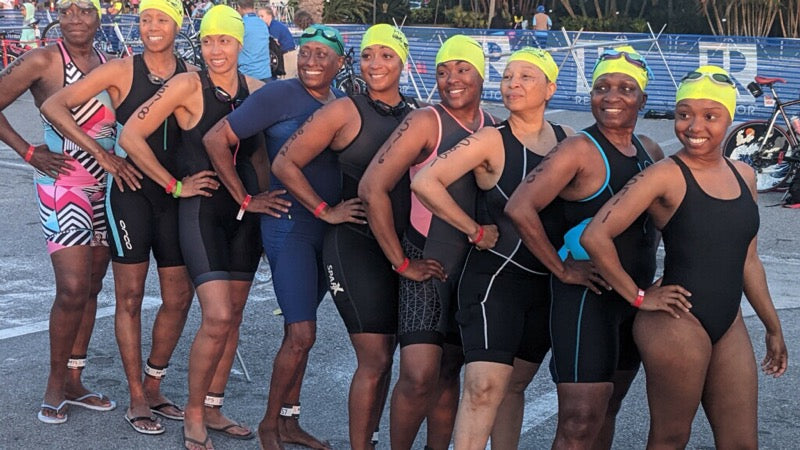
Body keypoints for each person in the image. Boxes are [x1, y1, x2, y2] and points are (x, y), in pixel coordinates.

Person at [581, 65, 788, 448]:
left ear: (729, 119)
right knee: (671, 437)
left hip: (728, 322)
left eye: (710, 116)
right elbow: (596, 236)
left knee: (742, 443)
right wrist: (639, 297)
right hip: (676, 321)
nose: (694, 126)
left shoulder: (744, 175)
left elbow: (749, 260)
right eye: (683, 114)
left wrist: (772, 327)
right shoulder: (664, 175)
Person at [117, 5, 277, 448]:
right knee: (218, 314)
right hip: (201, 211)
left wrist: (265, 205)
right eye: (207, 41)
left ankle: (213, 406)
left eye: (224, 40)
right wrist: (173, 185)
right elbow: (130, 136)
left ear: (240, 43)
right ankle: (192, 411)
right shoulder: (188, 84)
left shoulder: (258, 90)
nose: (215, 50)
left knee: (235, 315)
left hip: (246, 215)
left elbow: (262, 156)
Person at [40, 0, 202, 434]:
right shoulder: (121, 70)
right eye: (145, 18)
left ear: (177, 25)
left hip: (176, 197)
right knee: (129, 298)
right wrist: (102, 155)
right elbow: (54, 105)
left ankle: (154, 385)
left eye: (162, 18)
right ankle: (135, 396)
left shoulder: (192, 73)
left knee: (178, 298)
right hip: (130, 196)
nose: (152, 26)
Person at [411, 47, 572, 450]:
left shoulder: (568, 140)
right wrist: (473, 230)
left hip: (545, 287)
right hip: (494, 285)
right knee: (483, 389)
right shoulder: (491, 140)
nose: (512, 85)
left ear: (550, 88)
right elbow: (425, 182)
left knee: (514, 387)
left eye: (526, 77)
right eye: (507, 77)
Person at [505, 45, 663, 449]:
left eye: (625, 88)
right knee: (579, 421)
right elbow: (520, 207)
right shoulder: (579, 149)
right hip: (586, 301)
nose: (612, 97)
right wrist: (561, 269)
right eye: (602, 87)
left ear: (643, 98)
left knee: (608, 408)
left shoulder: (649, 150)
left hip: (632, 299)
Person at [270, 24, 415, 450]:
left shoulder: (416, 114)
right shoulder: (344, 111)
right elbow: (284, 163)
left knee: (388, 355)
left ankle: (368, 440)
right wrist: (324, 210)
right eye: (368, 56)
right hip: (354, 245)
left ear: (403, 62)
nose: (375, 64)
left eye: (386, 56)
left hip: (397, 245)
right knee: (375, 357)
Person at [201, 24, 346, 450]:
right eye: (306, 52)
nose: (311, 61)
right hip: (289, 226)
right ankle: (269, 425)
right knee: (302, 333)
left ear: (340, 63)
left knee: (301, 332)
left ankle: (289, 421)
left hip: (327, 230)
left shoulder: (341, 103)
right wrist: (245, 199)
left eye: (322, 54)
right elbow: (217, 138)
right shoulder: (279, 94)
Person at [0, 0, 138, 425]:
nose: (75, 18)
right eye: (66, 10)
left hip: (107, 187)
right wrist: (28, 152)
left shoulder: (112, 63)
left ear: (100, 16)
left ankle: (76, 380)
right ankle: (55, 384)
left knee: (93, 284)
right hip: (63, 185)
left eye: (85, 10)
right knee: (73, 287)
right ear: (56, 17)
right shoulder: (43, 60)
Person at [359, 34, 495, 450]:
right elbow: (371, 188)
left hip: (470, 269)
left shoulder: (493, 126)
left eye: (462, 69)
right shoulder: (425, 121)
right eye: (442, 71)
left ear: (481, 75)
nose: (452, 79)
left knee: (449, 371)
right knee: (418, 376)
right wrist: (401, 261)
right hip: (427, 259)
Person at [235, 0, 271, 82]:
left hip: (247, 74)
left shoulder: (241, 24)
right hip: (265, 73)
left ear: (239, 8)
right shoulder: (263, 24)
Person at [257, 6, 296, 79]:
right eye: (258, 16)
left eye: (262, 16)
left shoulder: (274, 27)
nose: (260, 19)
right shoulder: (271, 26)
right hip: (283, 54)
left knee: (287, 80)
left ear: (269, 16)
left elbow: (274, 43)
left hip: (287, 55)